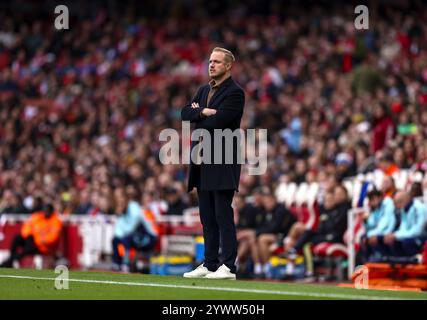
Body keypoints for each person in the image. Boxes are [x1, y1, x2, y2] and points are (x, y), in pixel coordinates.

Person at [181, 47, 245, 280]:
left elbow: (220, 122)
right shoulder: (203, 90)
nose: (212, 65)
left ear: (228, 66)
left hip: (223, 158)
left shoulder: (235, 93)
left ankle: (228, 266)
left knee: (222, 213)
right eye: (210, 61)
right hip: (203, 158)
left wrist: (201, 115)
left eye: (217, 62)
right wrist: (204, 112)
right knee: (207, 216)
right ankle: (209, 263)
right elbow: (184, 113)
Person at [0, 203, 62, 268]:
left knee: (26, 250)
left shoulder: (56, 221)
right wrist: (29, 236)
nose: (45, 212)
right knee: (17, 239)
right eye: (44, 210)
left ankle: (9, 261)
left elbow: (52, 238)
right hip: (32, 241)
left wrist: (37, 238)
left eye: (47, 211)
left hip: (43, 247)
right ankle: (11, 259)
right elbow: (27, 226)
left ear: (51, 211)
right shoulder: (38, 216)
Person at [371, 191, 427, 261]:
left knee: (405, 242)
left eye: (397, 202)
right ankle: (395, 264)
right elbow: (403, 228)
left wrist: (396, 236)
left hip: (421, 238)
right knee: (387, 239)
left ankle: (413, 264)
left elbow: (418, 231)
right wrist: (393, 235)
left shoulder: (419, 208)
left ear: (404, 200)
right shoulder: (404, 209)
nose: (395, 206)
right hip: (411, 236)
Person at [111, 188, 158, 272]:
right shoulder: (123, 211)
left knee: (126, 239)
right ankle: (117, 263)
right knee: (115, 240)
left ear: (126, 199)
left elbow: (131, 228)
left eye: (122, 200)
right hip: (136, 237)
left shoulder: (134, 208)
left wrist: (120, 218)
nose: (120, 203)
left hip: (149, 237)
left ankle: (126, 264)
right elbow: (117, 232)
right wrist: (119, 215)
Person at [360, 189, 396, 262]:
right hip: (378, 233)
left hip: (390, 231)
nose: (371, 202)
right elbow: (370, 226)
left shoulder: (388, 203)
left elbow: (386, 224)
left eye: (373, 199)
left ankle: (379, 260)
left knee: (370, 238)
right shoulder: (375, 210)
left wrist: (371, 235)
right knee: (363, 237)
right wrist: (366, 221)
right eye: (370, 200)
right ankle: (368, 262)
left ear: (379, 197)